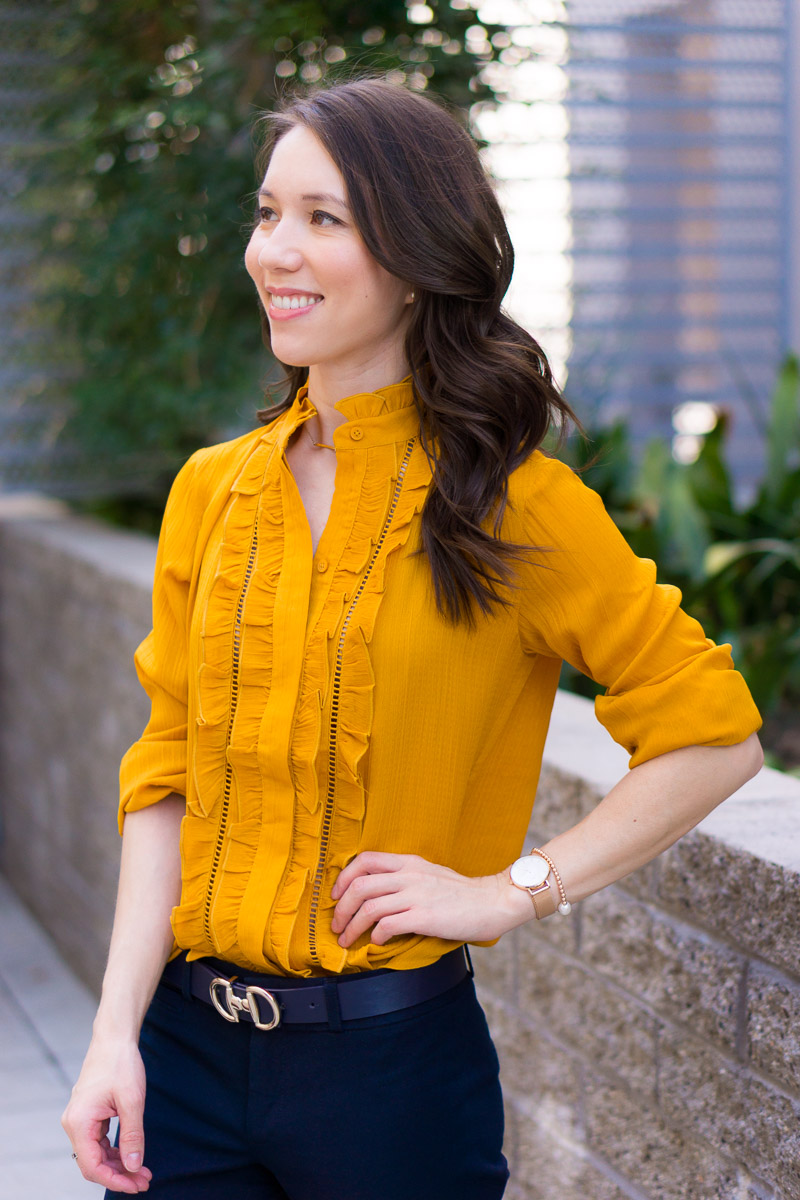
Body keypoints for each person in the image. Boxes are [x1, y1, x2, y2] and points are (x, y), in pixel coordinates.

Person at [62, 76, 763, 1199]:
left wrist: (513, 888)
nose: (271, 253)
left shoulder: (514, 505)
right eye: (266, 213)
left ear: (414, 257)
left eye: (322, 220)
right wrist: (112, 1039)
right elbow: (166, 780)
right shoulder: (210, 492)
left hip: (389, 1076)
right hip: (183, 1059)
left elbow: (714, 737)